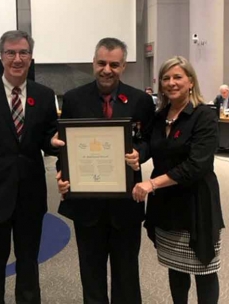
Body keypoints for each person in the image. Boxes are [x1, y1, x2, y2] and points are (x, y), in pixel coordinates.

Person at [0, 30, 63, 304]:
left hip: (30, 196)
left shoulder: (44, 95)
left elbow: (48, 138)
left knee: (29, 265)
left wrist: (54, 142)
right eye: (11, 53)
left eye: (23, 53)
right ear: (1, 56)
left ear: (31, 57)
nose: (17, 59)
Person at [56, 37, 155, 303]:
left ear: (123, 66)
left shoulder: (141, 101)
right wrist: (62, 175)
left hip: (126, 202)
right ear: (93, 63)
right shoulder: (74, 99)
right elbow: (65, 145)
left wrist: (140, 154)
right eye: (101, 63)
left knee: (127, 275)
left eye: (114, 64)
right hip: (87, 204)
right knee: (91, 275)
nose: (107, 69)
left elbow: (148, 140)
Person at [132, 56, 225, 304]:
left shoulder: (203, 115)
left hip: (196, 204)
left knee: (204, 268)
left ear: (191, 81)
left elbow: (197, 165)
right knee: (176, 267)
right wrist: (136, 155)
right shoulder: (160, 115)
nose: (171, 83)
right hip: (167, 204)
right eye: (166, 78)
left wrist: (151, 184)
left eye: (177, 77)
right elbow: (149, 146)